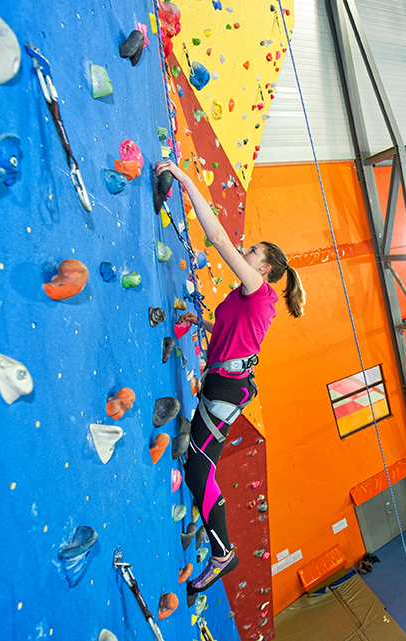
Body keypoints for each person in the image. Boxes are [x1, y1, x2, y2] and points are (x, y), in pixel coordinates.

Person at [155, 160, 307, 596]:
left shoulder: (258, 292)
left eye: (253, 252)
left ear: (264, 270)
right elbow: (233, 335)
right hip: (223, 381)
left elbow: (218, 238)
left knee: (200, 467)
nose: (245, 251)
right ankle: (219, 546)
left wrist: (184, 179)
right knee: (198, 464)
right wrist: (201, 324)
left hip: (227, 388)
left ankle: (223, 554)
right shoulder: (247, 296)